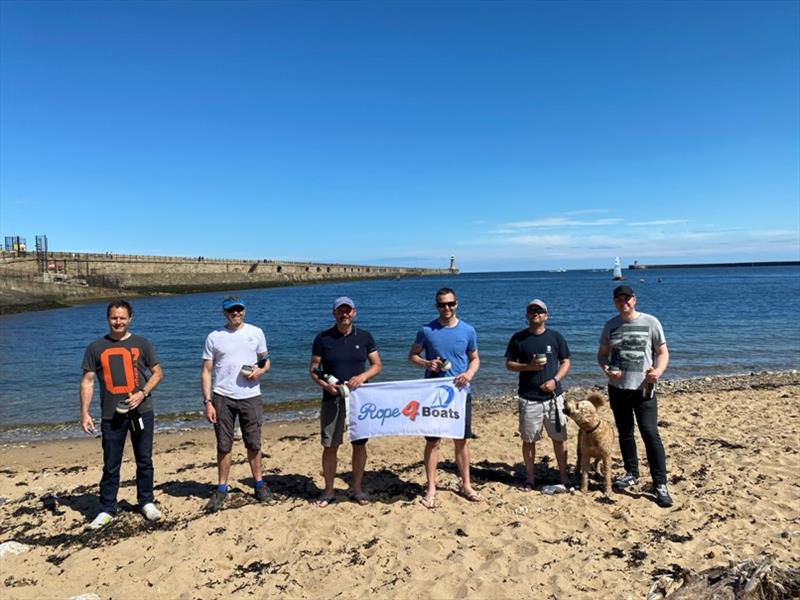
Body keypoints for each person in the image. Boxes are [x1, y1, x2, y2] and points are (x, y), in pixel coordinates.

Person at [80, 299, 164, 529]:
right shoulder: (95, 348)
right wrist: (85, 412)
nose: (118, 322)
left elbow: (158, 373)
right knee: (111, 464)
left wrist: (143, 393)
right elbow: (87, 382)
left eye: (122, 318)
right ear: (108, 319)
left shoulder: (142, 343)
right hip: (111, 415)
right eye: (114, 318)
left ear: (130, 319)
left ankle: (146, 501)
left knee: (144, 460)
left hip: (141, 412)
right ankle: (107, 508)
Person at [597, 285, 673, 508]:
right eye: (620, 299)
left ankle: (660, 484)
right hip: (618, 388)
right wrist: (607, 369)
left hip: (643, 389)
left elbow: (662, 353)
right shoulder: (611, 325)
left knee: (650, 433)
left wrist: (658, 372)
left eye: (627, 298)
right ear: (615, 302)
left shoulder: (651, 322)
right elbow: (602, 355)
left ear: (634, 300)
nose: (624, 302)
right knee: (625, 432)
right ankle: (632, 473)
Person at [408, 287, 481, 508]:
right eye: (442, 304)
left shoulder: (468, 330)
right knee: (433, 442)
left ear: (456, 304)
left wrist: (468, 374)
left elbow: (475, 359)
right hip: (433, 394)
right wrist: (425, 363)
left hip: (460, 394)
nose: (446, 308)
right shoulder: (426, 330)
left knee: (461, 441)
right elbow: (412, 355)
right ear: (436, 306)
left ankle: (466, 484)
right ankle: (431, 487)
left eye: (450, 304)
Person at [309, 296, 382, 507]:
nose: (344, 314)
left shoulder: (365, 337)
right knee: (330, 445)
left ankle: (357, 488)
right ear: (334, 314)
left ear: (354, 313)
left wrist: (362, 377)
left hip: (360, 400)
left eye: (348, 310)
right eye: (340, 311)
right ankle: (329, 490)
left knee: (359, 445)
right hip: (332, 399)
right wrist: (325, 385)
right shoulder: (322, 338)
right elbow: (314, 370)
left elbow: (377, 365)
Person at [202, 296, 271, 512]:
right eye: (232, 311)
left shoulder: (255, 332)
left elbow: (265, 359)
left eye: (239, 310)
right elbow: (206, 370)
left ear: (244, 311)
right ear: (225, 313)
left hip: (250, 396)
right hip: (223, 396)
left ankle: (259, 485)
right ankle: (222, 488)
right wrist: (208, 402)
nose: (236, 314)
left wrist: (261, 370)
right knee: (224, 445)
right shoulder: (215, 336)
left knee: (254, 443)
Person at [505, 299, 571, 492]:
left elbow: (566, 362)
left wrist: (555, 381)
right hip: (528, 398)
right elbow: (509, 364)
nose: (536, 313)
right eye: (532, 311)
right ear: (527, 316)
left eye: (540, 311)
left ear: (546, 315)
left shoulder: (556, 337)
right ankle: (530, 478)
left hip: (554, 398)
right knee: (529, 440)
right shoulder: (518, 338)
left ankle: (564, 477)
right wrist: (528, 367)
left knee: (559, 438)